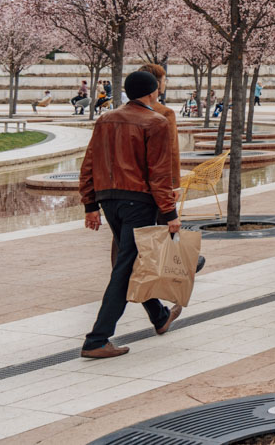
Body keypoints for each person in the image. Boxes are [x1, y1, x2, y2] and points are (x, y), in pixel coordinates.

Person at [78, 70, 185, 359]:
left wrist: (90, 205)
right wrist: (170, 213)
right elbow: (159, 174)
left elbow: (88, 164)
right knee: (125, 268)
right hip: (138, 202)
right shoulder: (156, 122)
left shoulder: (105, 119)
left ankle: (159, 315)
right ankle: (97, 339)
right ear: (153, 92)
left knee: (132, 259)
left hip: (109, 201)